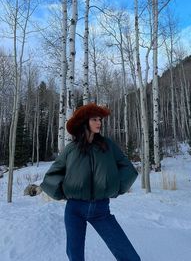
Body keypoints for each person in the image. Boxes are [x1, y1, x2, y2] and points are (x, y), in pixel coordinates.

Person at [40, 103, 141, 261]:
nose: (99, 122)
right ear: (84, 122)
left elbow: (127, 168)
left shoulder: (108, 146)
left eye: (100, 119)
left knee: (129, 256)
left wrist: (115, 187)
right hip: (74, 209)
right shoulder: (71, 149)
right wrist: (65, 190)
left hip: (101, 210)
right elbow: (52, 175)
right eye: (94, 119)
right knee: (75, 256)